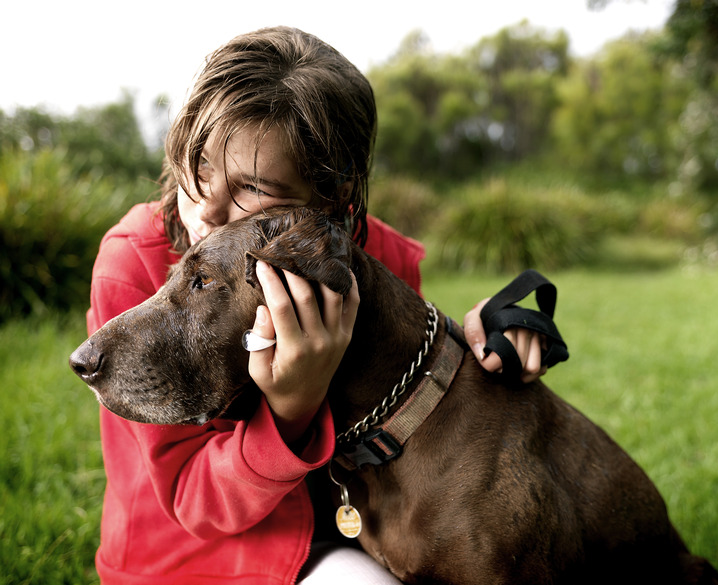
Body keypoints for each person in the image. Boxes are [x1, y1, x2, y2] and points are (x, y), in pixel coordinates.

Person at [86, 26, 548, 585]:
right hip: (205, 555)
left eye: (252, 187)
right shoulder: (133, 261)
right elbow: (192, 498)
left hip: (349, 527)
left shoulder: (375, 259)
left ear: (332, 198)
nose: (205, 207)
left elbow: (404, 383)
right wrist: (291, 407)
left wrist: (471, 343)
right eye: (201, 165)